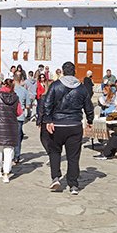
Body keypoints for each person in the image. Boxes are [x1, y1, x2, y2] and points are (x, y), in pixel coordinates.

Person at [41, 61, 94, 195]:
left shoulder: (55, 86)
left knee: (54, 152)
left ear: (63, 72)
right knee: (73, 156)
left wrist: (48, 120)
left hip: (57, 125)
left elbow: (47, 103)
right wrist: (90, 120)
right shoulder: (81, 88)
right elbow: (88, 106)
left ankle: (55, 178)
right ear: (74, 72)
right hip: (74, 126)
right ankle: (73, 185)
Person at [0, 79, 23, 183]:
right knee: (9, 151)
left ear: (4, 85)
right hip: (11, 127)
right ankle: (6, 174)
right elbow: (19, 112)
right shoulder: (16, 97)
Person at [13, 72, 30, 163]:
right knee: (18, 136)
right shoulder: (24, 91)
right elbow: (28, 105)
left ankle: (8, 154)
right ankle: (17, 155)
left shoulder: (10, 90)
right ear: (21, 80)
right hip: (20, 116)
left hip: (10, 116)